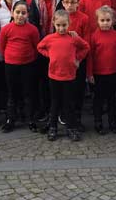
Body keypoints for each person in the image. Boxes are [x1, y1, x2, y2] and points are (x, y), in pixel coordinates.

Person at [37, 9, 90, 142]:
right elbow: (40, 47)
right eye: (59, 25)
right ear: (54, 23)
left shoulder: (73, 38)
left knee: (68, 104)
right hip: (54, 76)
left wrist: (77, 59)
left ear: (69, 24)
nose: (61, 28)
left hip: (69, 76)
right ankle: (53, 127)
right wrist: (50, 55)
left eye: (64, 25)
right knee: (55, 103)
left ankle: (70, 128)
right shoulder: (49, 38)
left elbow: (86, 47)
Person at [0, 0, 40, 133]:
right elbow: (2, 46)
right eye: (17, 12)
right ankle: (11, 119)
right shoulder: (6, 29)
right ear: (12, 13)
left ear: (28, 14)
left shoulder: (32, 29)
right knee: (12, 93)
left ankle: (31, 119)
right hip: (11, 65)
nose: (20, 15)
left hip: (28, 64)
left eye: (23, 13)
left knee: (28, 92)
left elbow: (36, 45)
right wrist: (10, 57)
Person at [87, 6, 116, 135]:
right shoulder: (94, 36)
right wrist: (89, 73)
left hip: (113, 72)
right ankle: (98, 122)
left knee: (112, 99)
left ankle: (113, 122)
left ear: (112, 21)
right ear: (97, 21)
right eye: (102, 20)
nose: (105, 23)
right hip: (98, 73)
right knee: (98, 100)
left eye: (108, 20)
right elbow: (90, 57)